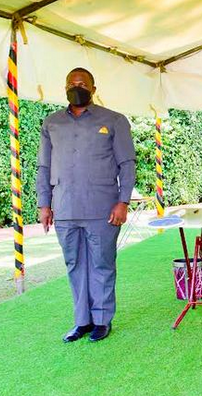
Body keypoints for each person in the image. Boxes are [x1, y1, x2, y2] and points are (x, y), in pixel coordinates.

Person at [37, 67, 136, 343]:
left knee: (102, 264)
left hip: (102, 208)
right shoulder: (52, 123)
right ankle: (82, 321)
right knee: (75, 265)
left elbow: (127, 164)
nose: (76, 87)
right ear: (65, 88)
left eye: (82, 83)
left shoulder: (114, 120)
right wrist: (44, 204)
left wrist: (123, 201)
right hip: (65, 208)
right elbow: (43, 166)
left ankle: (102, 320)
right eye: (72, 83)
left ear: (93, 89)